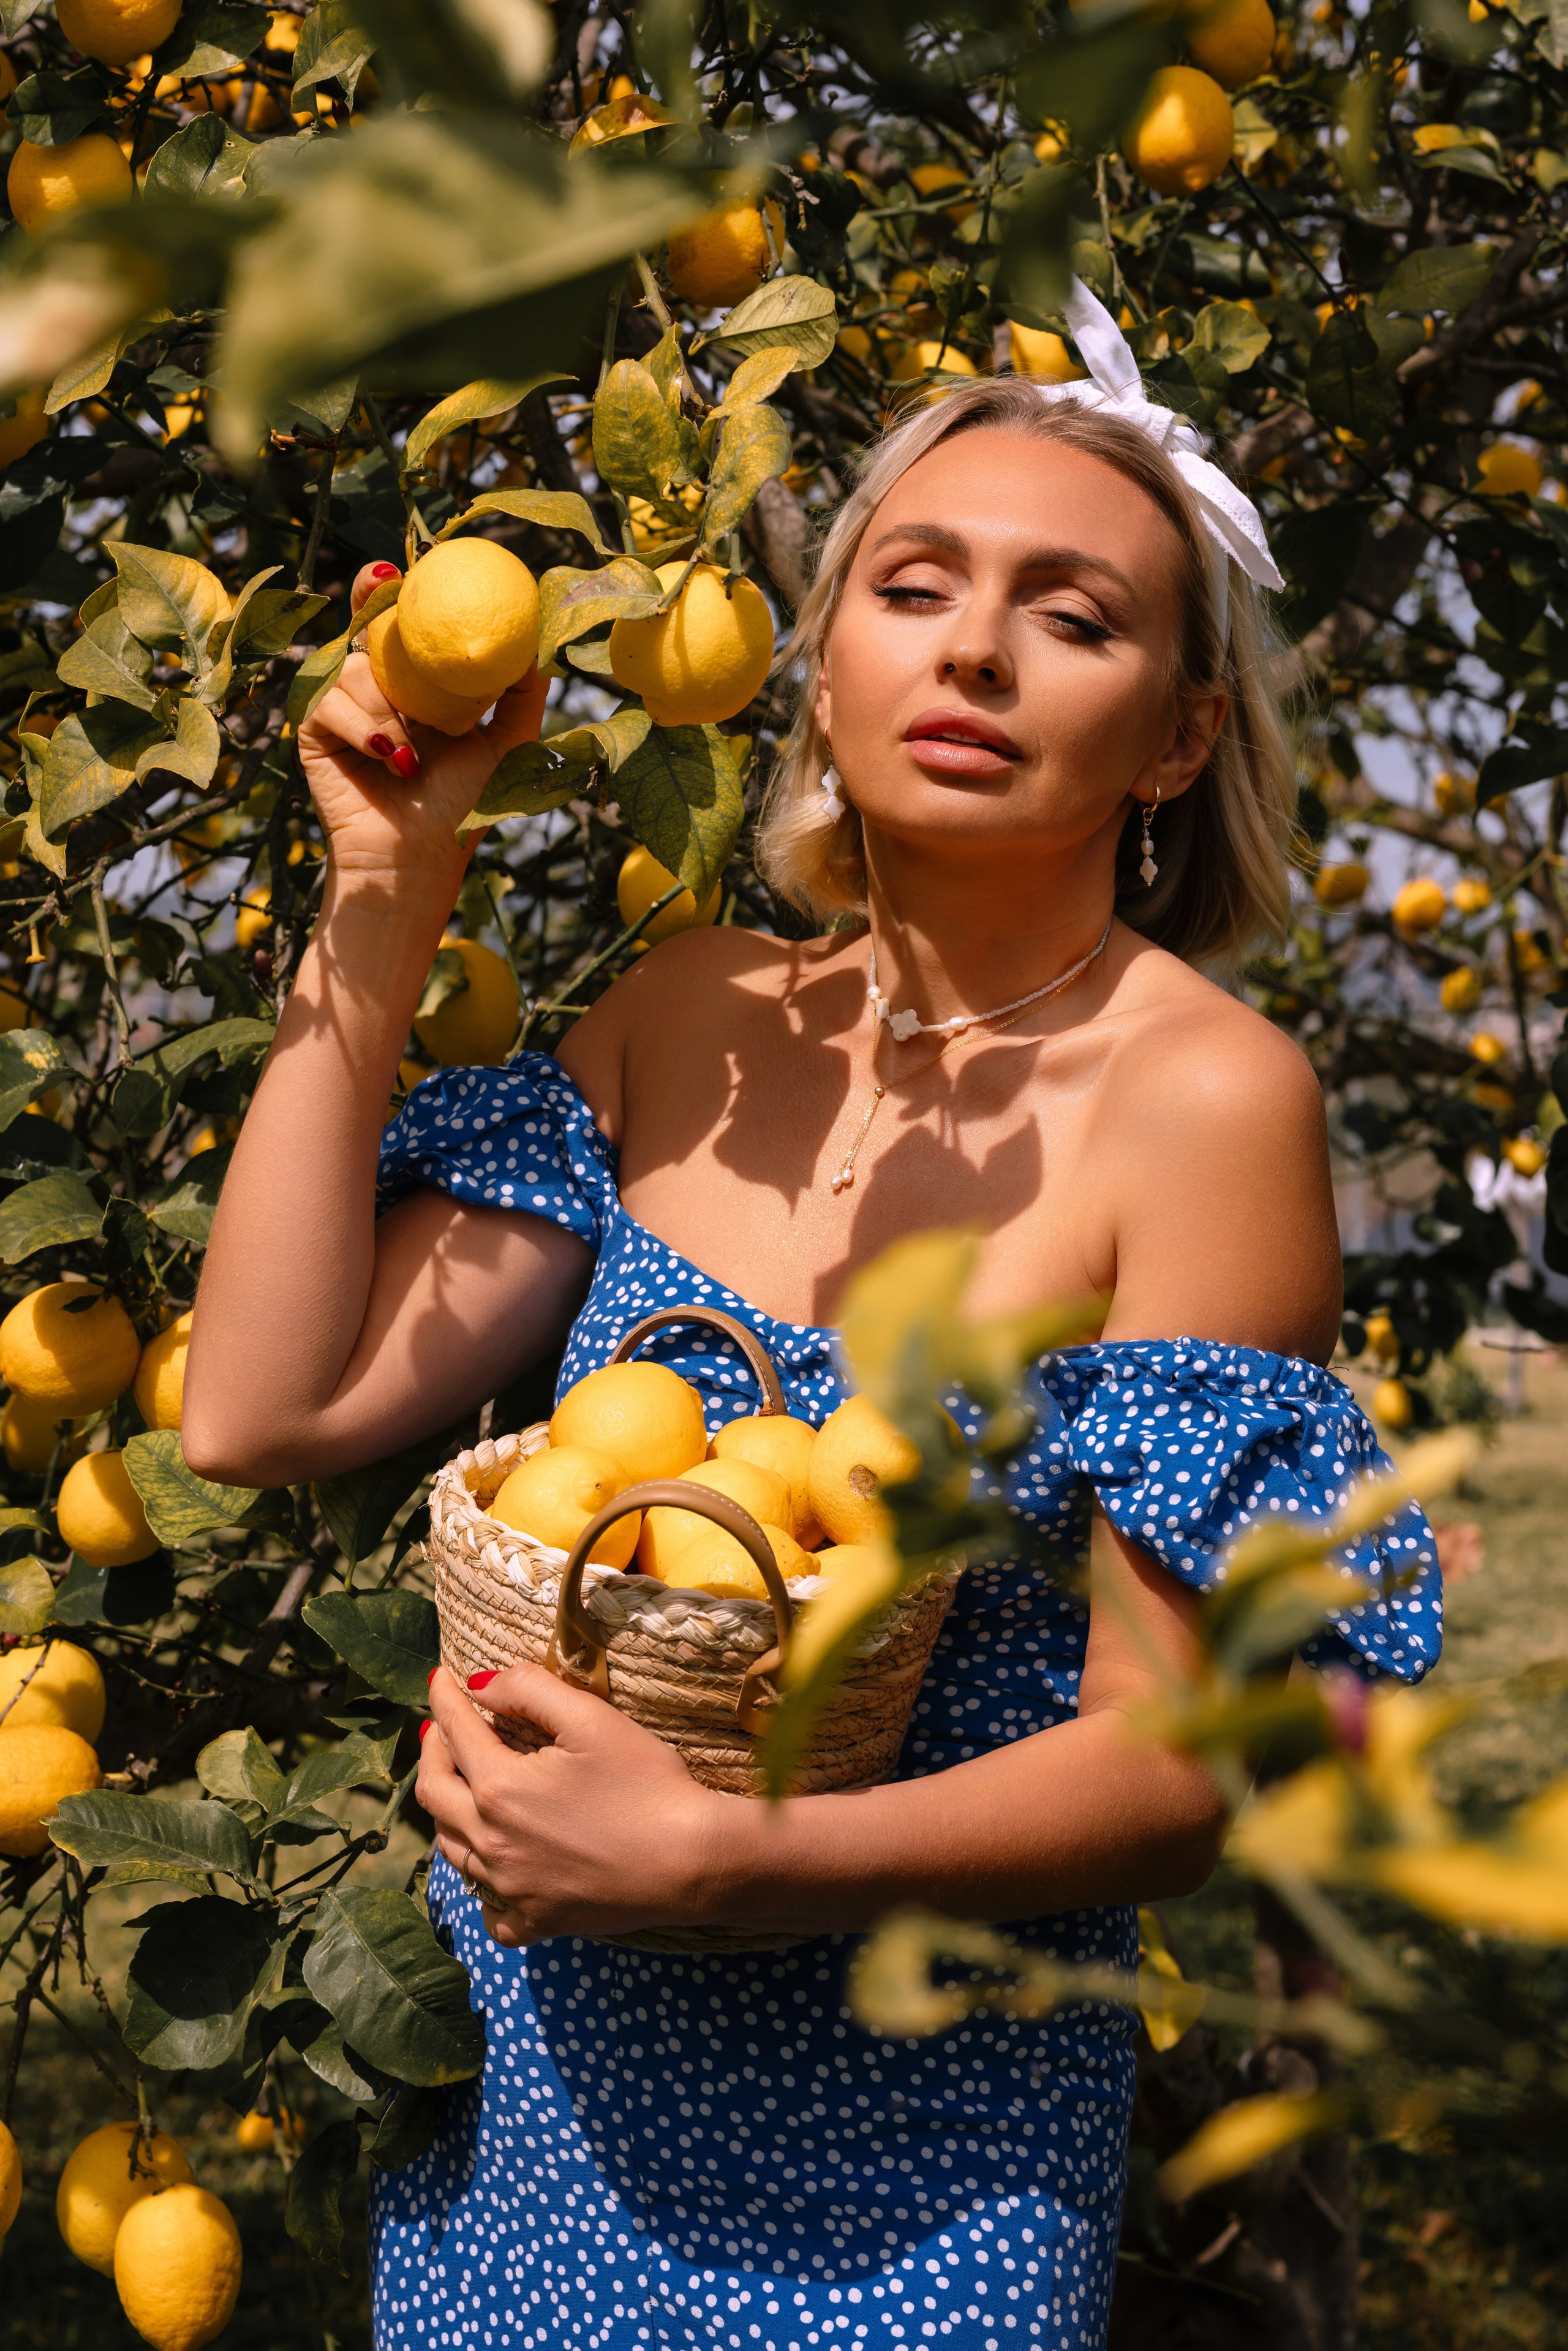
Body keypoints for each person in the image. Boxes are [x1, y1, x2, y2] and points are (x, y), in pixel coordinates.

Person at [184, 297, 1439, 2351]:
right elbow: (259, 1407)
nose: (975, 651)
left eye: (1073, 616)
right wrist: (386, 890)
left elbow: (1175, 1773)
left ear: (1182, 736)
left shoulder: (1203, 1101)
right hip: (536, 2103)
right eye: (914, 587)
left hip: (912, 2177)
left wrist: (732, 1859)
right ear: (825, 666)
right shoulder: (690, 1017)